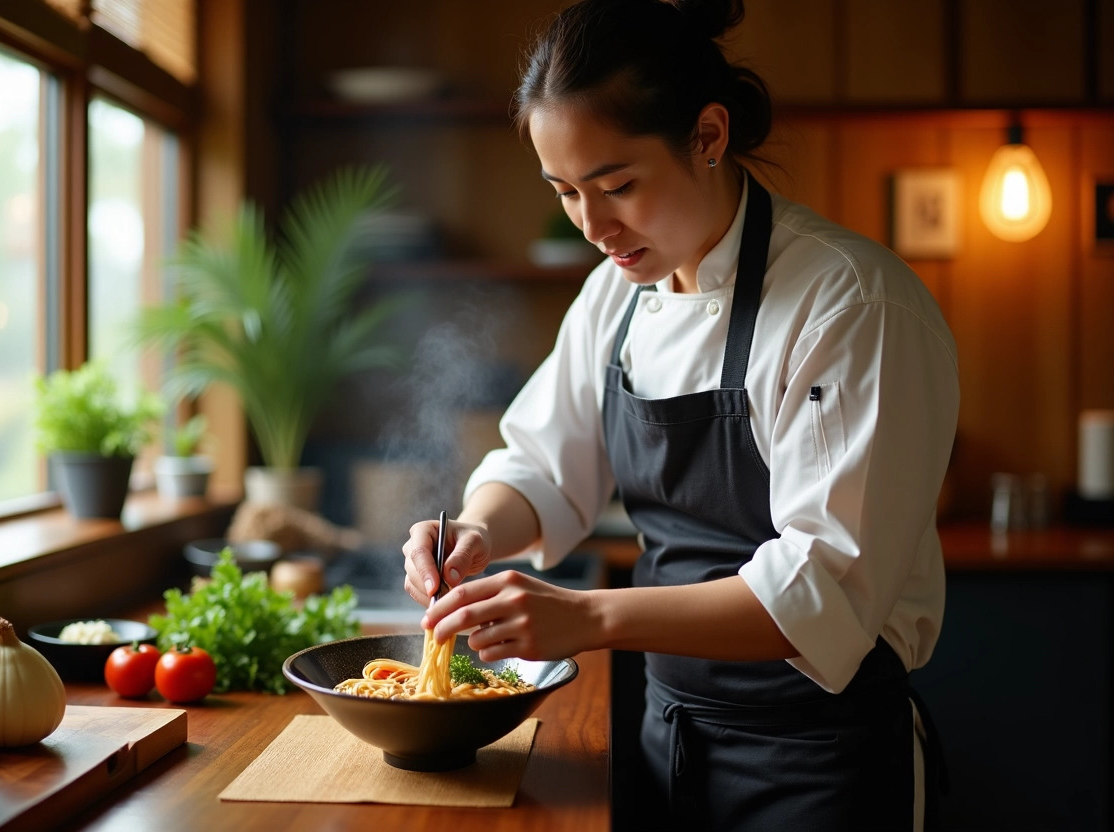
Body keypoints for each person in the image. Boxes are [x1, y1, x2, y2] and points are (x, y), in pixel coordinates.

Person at [400, 0, 959, 828]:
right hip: (667, 737)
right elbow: (544, 466)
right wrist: (478, 530)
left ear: (707, 135)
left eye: (617, 185)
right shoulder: (615, 299)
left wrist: (585, 617)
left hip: (820, 761)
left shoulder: (847, 304)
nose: (594, 226)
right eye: (565, 193)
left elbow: (818, 586)